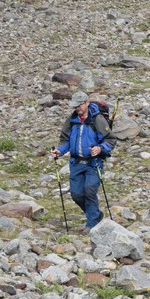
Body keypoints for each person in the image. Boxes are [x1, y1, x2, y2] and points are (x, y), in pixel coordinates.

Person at [52, 96, 115, 232]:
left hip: (93, 163)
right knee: (77, 195)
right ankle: (96, 215)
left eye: (79, 105)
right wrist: (59, 151)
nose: (77, 108)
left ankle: (91, 224)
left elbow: (110, 140)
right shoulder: (72, 120)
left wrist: (100, 148)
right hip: (76, 163)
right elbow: (65, 140)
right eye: (75, 106)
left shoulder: (97, 119)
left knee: (90, 191)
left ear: (87, 103)